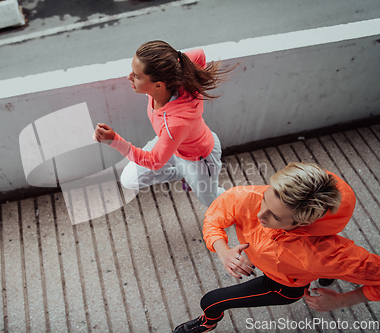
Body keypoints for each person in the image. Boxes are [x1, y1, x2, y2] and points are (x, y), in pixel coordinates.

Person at [174, 162, 380, 333]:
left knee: (210, 301)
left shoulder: (327, 255)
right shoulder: (246, 196)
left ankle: (208, 321)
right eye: (265, 198)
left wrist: (343, 301)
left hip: (283, 285)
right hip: (297, 267)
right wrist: (223, 251)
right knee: (324, 269)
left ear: (303, 224)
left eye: (276, 216)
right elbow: (213, 218)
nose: (260, 214)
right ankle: (327, 276)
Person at [93, 40, 234, 207]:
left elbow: (154, 162)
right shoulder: (172, 75)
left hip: (198, 158)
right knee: (129, 180)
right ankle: (184, 173)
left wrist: (114, 140)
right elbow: (199, 55)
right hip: (170, 145)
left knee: (210, 200)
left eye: (136, 76)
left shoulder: (176, 123)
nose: (129, 77)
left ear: (158, 85)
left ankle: (238, 205)